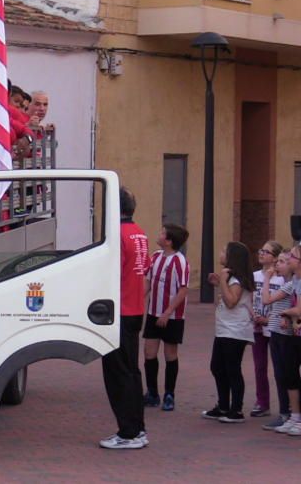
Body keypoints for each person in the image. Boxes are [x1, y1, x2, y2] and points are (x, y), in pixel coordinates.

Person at [99, 188, 149, 450]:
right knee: (132, 371)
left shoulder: (117, 235)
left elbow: (111, 272)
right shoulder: (139, 232)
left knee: (118, 374)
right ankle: (137, 428)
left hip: (119, 309)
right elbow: (144, 266)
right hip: (135, 308)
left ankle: (128, 432)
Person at [268, 245, 301, 436]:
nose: (289, 258)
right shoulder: (296, 281)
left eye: (293, 256)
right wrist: (286, 316)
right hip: (295, 333)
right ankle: (295, 415)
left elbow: (298, 309)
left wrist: (284, 312)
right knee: (290, 373)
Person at [201, 241, 255, 423]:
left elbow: (231, 301)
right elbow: (226, 300)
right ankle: (223, 405)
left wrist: (223, 281)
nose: (221, 253)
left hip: (235, 330)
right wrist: (220, 284)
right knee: (217, 366)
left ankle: (236, 409)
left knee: (232, 368)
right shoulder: (231, 278)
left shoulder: (236, 280)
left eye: (224, 251)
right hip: (225, 329)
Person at [143, 223, 190, 412]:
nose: (159, 234)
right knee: (149, 353)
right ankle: (152, 392)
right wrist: (139, 301)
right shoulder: (155, 256)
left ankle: (169, 394)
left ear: (169, 241)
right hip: (153, 313)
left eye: (163, 233)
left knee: (170, 354)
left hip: (172, 317)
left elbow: (183, 289)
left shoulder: (180, 261)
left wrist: (168, 312)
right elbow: (147, 283)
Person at [258, 248, 301, 430]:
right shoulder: (288, 284)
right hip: (275, 331)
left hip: (284, 335)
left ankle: (287, 412)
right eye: (279, 262)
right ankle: (287, 411)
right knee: (279, 373)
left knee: (284, 374)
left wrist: (267, 279)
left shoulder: (290, 285)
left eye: (282, 262)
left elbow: (266, 299)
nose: (278, 265)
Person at [250, 241, 284, 418]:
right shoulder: (254, 276)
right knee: (259, 366)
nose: (261, 254)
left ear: (276, 257)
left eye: (266, 251)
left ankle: (286, 406)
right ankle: (262, 402)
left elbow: (284, 302)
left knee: (281, 366)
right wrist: (253, 316)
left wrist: (268, 319)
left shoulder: (281, 278)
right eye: (260, 250)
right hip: (257, 325)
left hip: (275, 325)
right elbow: (249, 298)